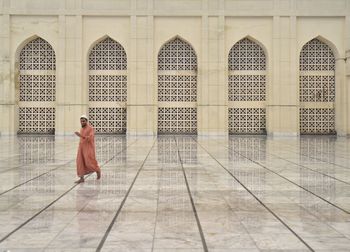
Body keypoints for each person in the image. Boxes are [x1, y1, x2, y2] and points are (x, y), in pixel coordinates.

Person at [74, 115, 101, 183]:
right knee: (80, 162)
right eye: (81, 121)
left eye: (83, 121)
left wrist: (80, 135)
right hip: (81, 148)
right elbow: (82, 139)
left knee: (89, 162)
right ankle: (81, 178)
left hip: (88, 148)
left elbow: (90, 138)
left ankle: (97, 170)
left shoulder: (90, 128)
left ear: (86, 121)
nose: (82, 122)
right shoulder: (82, 128)